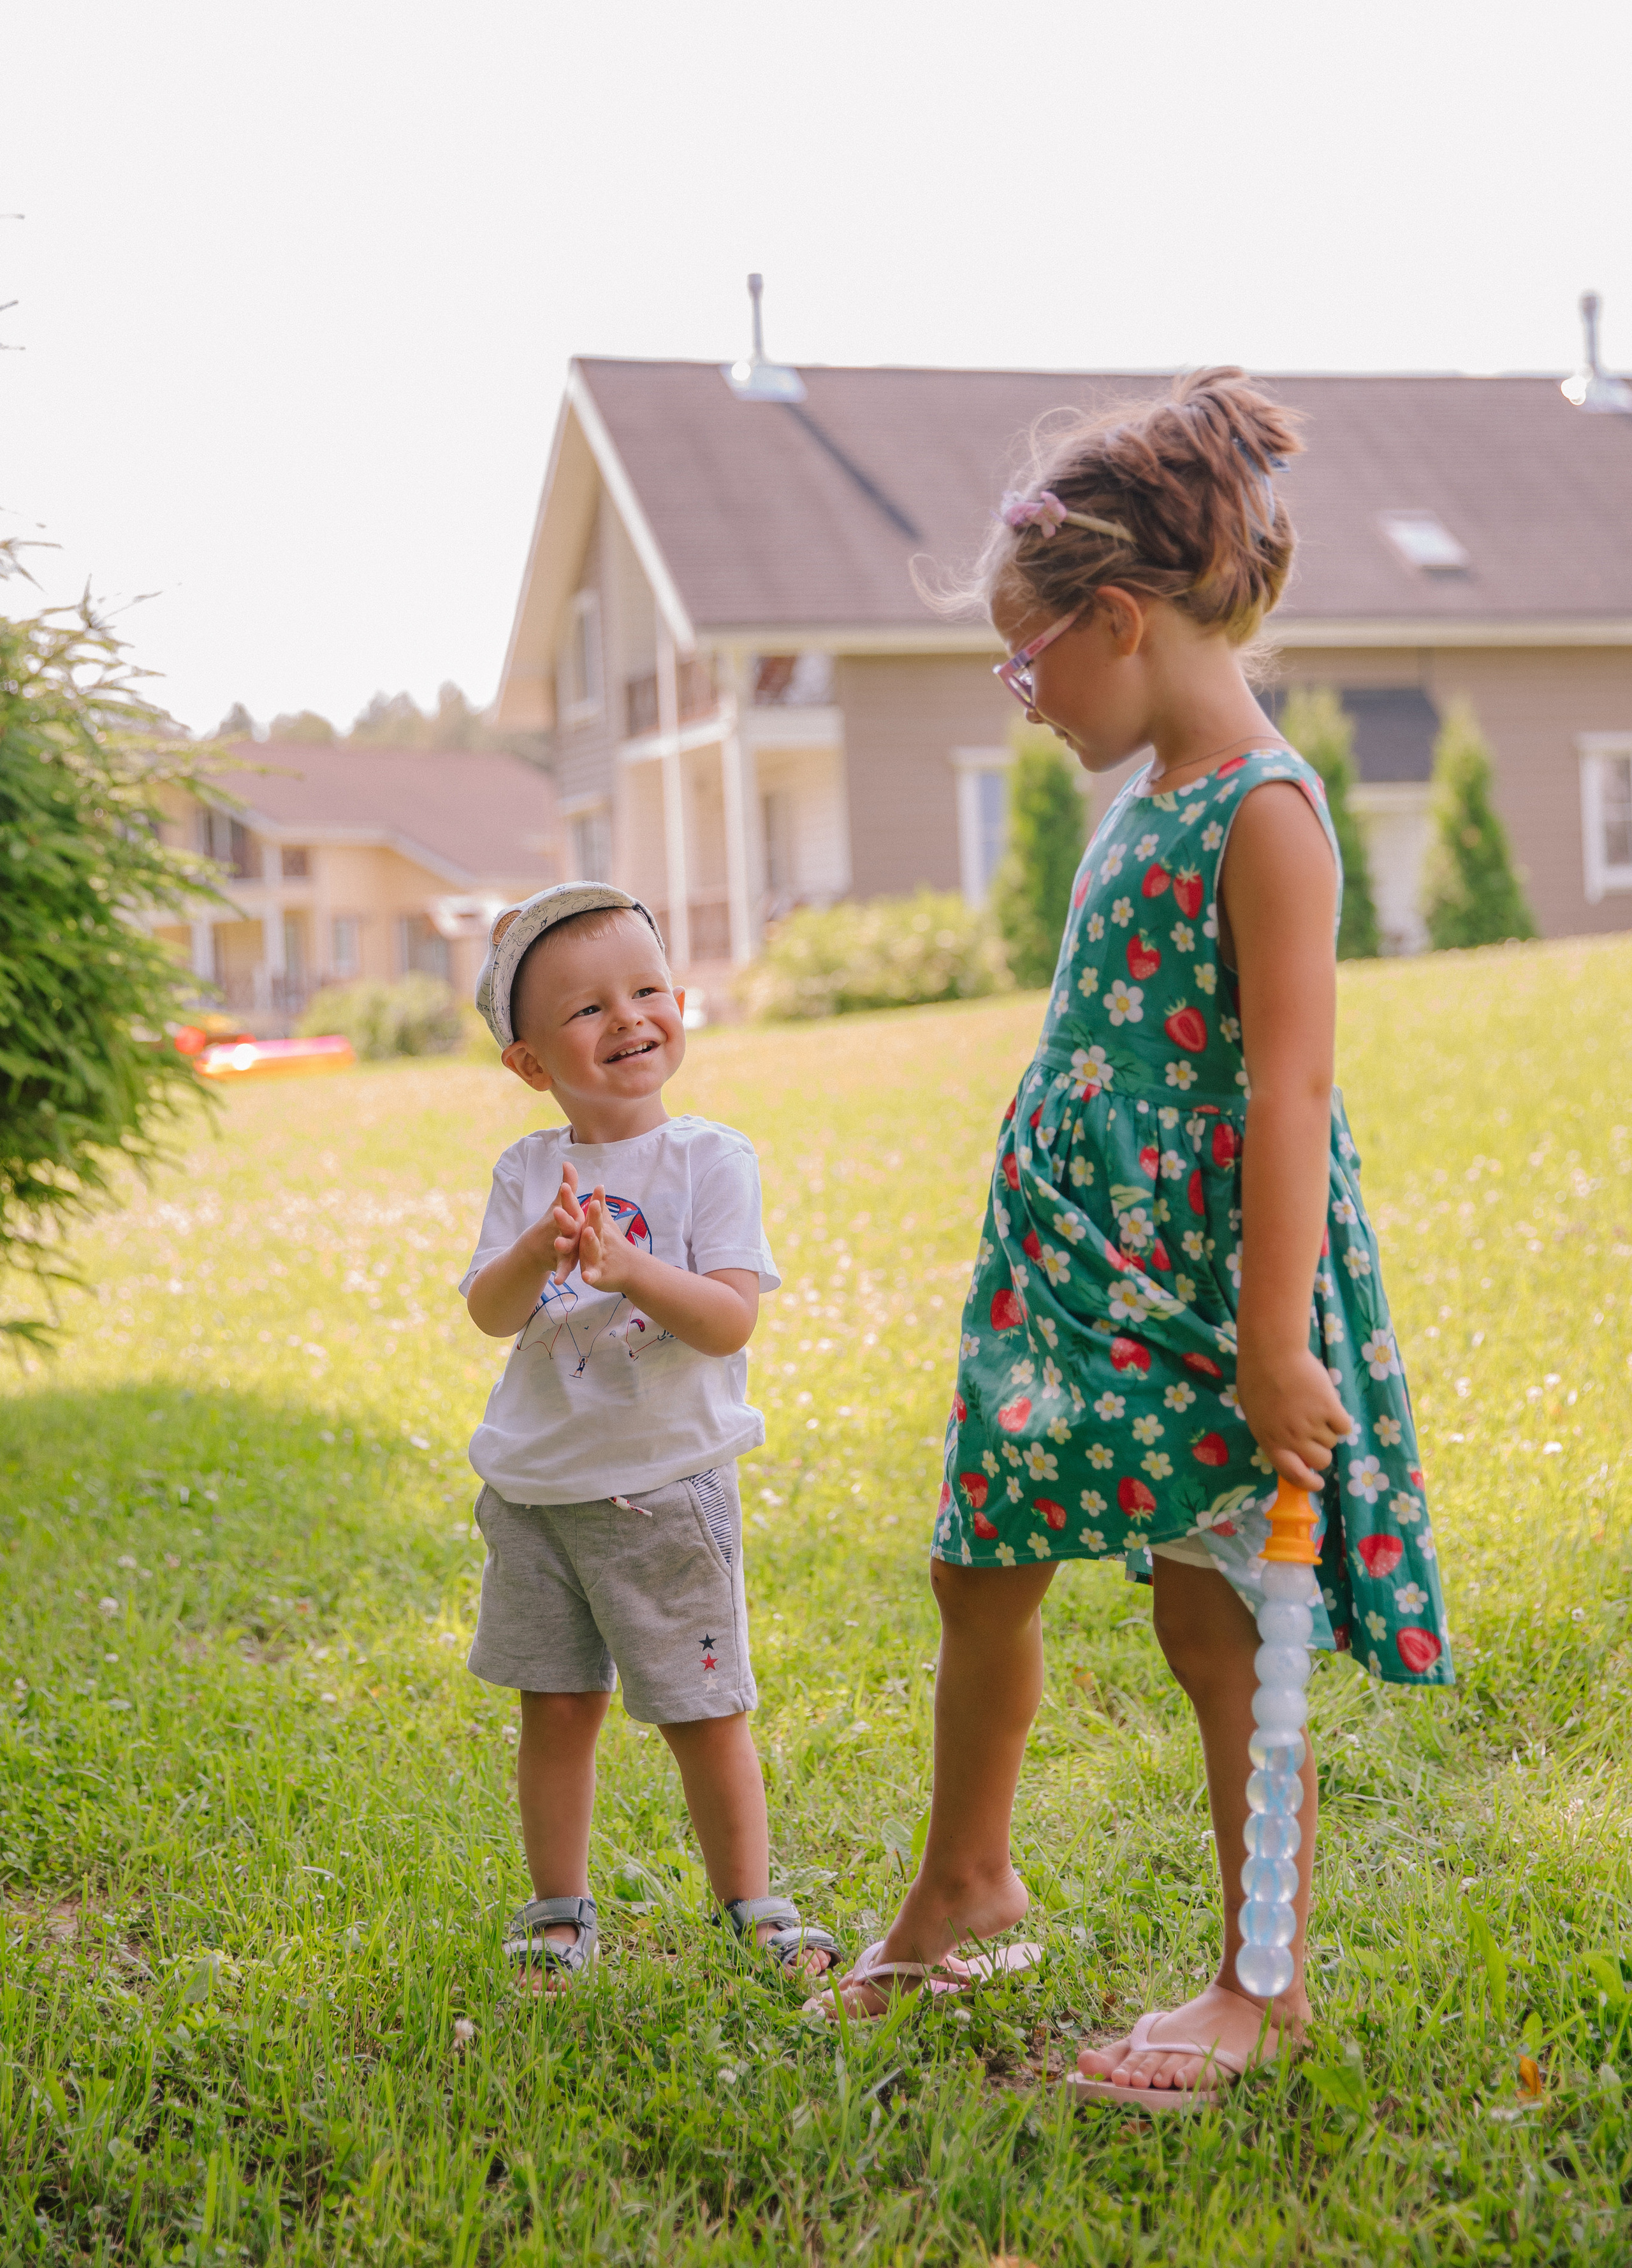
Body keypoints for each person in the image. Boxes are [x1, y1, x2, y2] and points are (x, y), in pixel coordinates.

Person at [819, 370, 1452, 2103]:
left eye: (1026, 662)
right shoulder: (1150, 782)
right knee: (980, 1558)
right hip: (1062, 1272)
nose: (1019, 699)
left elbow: (1292, 1098)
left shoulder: (1263, 809)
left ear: (1115, 617)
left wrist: (1267, 1341)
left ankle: (1263, 1987)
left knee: (1213, 1620)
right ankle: (964, 1887)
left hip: (1188, 1291)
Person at [461, 882, 840, 1989]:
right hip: (537, 1492)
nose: (625, 1018)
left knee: (702, 1706)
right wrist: (539, 1253)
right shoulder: (531, 1173)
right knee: (558, 1703)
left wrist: (627, 1268)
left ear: (679, 1003)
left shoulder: (710, 1160)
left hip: (665, 1489)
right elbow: (488, 1311)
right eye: (584, 1010)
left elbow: (728, 1319)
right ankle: (558, 1907)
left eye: (643, 991)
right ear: (531, 1064)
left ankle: (753, 1902)